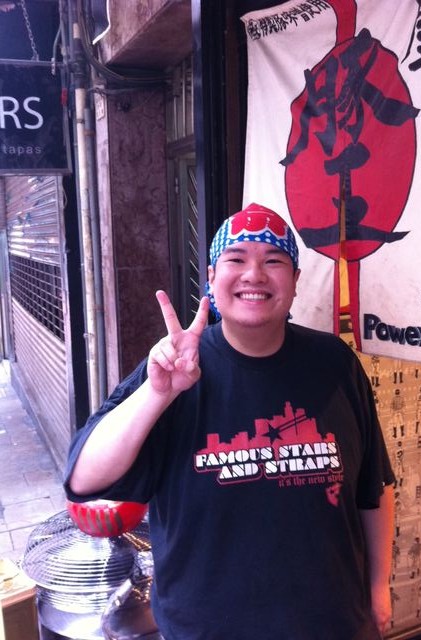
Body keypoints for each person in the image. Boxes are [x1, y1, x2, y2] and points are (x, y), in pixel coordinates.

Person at [64, 202, 395, 640]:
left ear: (295, 281)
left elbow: (374, 488)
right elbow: (83, 480)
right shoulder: (176, 371)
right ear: (211, 277)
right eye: (235, 260)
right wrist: (158, 394)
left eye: (273, 261)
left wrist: (378, 587)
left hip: (334, 624)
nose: (254, 275)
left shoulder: (335, 363)